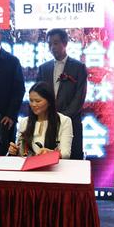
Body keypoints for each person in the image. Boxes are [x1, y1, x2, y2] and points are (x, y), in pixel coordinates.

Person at [36, 28, 88, 160]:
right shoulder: (43, 68)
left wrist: (62, 119)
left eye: (56, 43)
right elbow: (37, 94)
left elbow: (79, 98)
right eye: (49, 44)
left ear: (65, 43)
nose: (52, 47)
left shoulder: (78, 67)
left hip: (71, 122)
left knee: (72, 159)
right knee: (47, 159)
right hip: (47, 123)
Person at [8, 81, 73, 159]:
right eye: (31, 100)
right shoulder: (24, 122)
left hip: (54, 165)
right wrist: (15, 151)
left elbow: (66, 154)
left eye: (38, 101)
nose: (33, 104)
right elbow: (22, 153)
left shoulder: (64, 121)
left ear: (49, 102)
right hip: (29, 165)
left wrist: (51, 153)